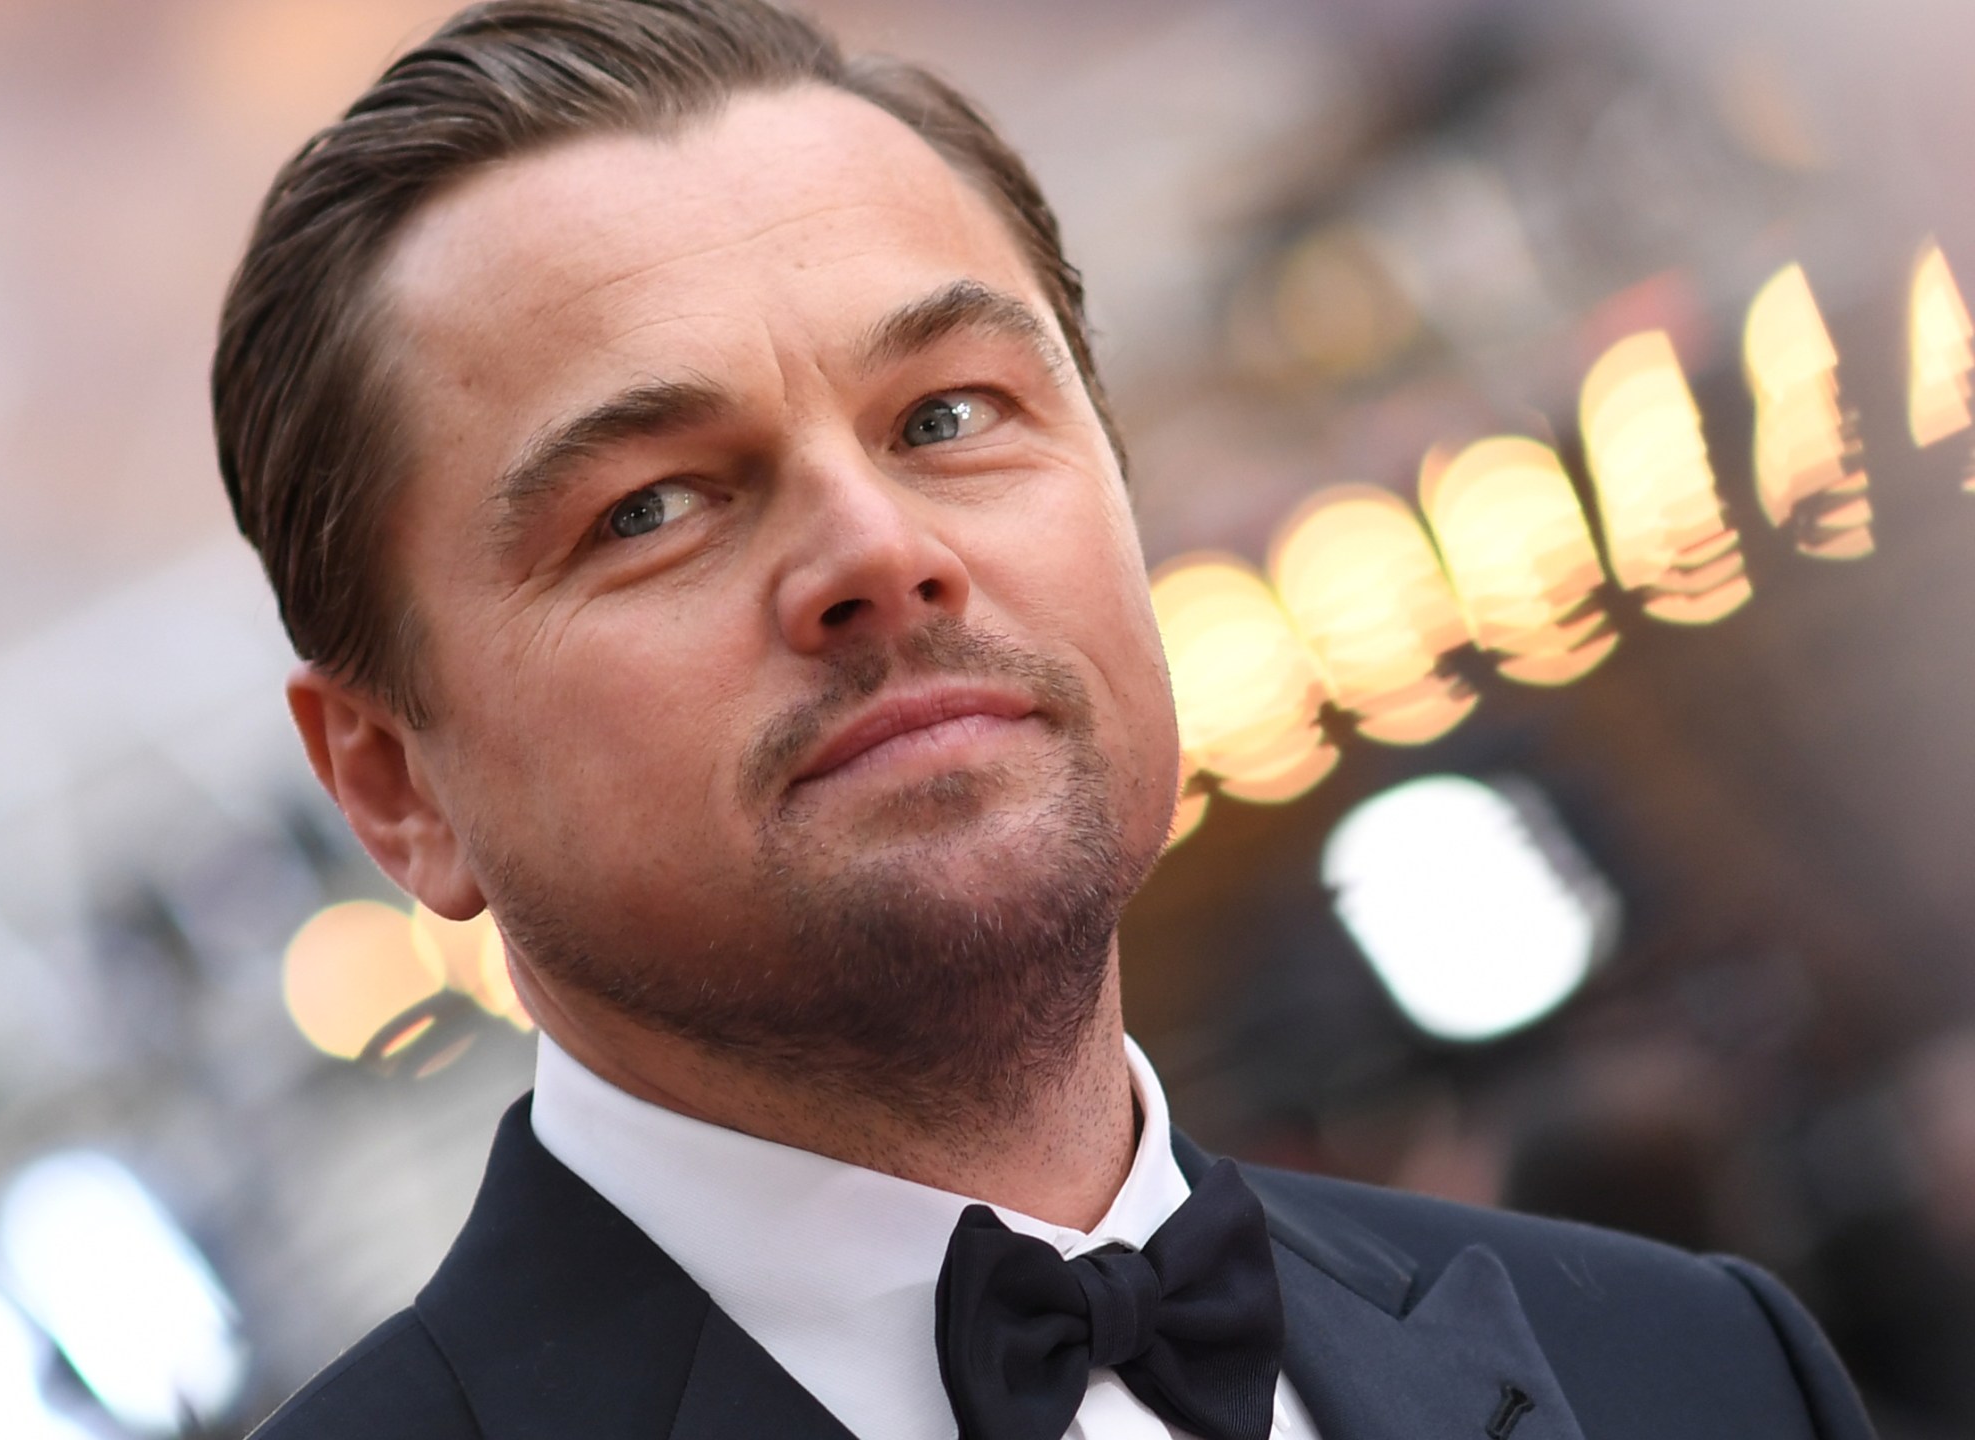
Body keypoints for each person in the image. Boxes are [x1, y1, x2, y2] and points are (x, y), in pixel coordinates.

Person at [209, 1, 1876, 1436]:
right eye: (649, 507)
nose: (879, 552)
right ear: (392, 781)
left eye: (947, 413)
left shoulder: (1696, 1367)